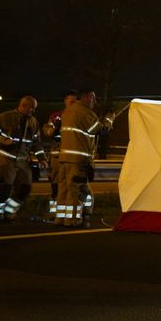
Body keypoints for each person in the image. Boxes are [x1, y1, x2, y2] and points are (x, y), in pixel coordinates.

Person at [56, 89, 112, 227]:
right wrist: (109, 119)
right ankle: (73, 220)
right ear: (86, 97)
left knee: (64, 190)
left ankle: (61, 218)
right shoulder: (85, 112)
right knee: (77, 192)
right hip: (78, 160)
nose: (95, 101)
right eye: (93, 98)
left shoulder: (67, 112)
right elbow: (99, 130)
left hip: (64, 159)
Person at [0, 96, 47, 222]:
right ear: (23, 106)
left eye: (34, 109)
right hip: (5, 157)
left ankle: (9, 212)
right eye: (31, 108)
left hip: (22, 160)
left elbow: (37, 142)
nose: (33, 111)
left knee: (25, 188)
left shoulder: (34, 122)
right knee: (4, 188)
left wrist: (41, 158)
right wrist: (2, 140)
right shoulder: (3, 117)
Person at [42, 90, 79, 220]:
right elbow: (47, 132)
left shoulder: (80, 116)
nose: (73, 104)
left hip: (73, 157)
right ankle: (54, 213)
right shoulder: (56, 116)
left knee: (73, 187)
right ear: (65, 101)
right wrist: (55, 129)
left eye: (76, 102)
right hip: (57, 157)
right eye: (71, 101)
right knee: (56, 185)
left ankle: (71, 214)